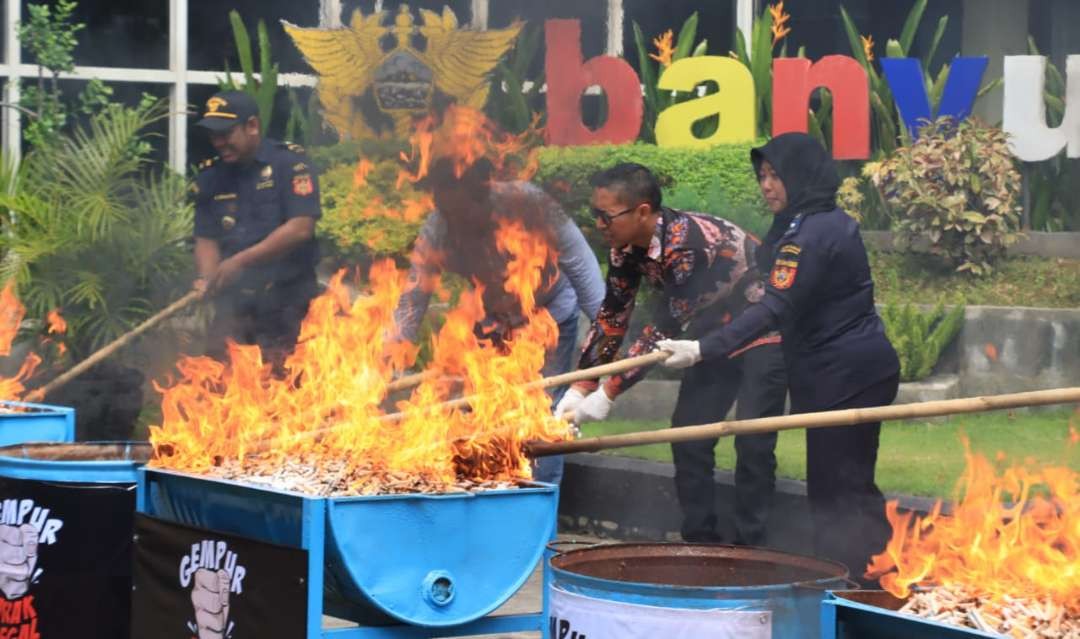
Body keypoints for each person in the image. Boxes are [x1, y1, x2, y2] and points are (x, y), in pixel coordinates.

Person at [655, 133, 900, 582]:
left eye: (776, 175)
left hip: (845, 375)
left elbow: (775, 307)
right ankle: (871, 577)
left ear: (801, 175)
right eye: (762, 175)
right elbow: (764, 292)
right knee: (846, 485)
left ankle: (853, 584)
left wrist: (703, 349)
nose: (767, 185)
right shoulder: (805, 224)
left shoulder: (810, 234)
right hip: (842, 371)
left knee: (836, 489)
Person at [555, 163, 788, 545]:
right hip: (709, 334)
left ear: (643, 212)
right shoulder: (625, 249)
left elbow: (665, 325)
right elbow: (612, 318)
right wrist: (580, 386)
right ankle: (700, 542)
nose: (599, 224)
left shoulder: (688, 245)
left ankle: (753, 549)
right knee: (688, 433)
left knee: (753, 438)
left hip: (762, 329)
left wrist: (609, 391)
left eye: (606, 215)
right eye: (594, 215)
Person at [393, 156, 605, 485]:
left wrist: (609, 342)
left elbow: (582, 266)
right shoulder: (438, 226)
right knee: (484, 416)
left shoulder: (531, 205)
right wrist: (391, 353)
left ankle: (539, 507)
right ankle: (493, 495)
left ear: (485, 192)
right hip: (491, 320)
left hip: (547, 316)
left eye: (461, 211)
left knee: (541, 417)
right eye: (446, 209)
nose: (455, 220)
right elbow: (413, 296)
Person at [192, 91, 322, 367]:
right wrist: (207, 278)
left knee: (284, 390)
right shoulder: (210, 176)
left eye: (226, 134)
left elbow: (301, 228)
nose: (219, 143)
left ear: (252, 126)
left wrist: (239, 262)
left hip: (287, 303)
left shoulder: (290, 164)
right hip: (234, 306)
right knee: (214, 382)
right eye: (213, 135)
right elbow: (206, 237)